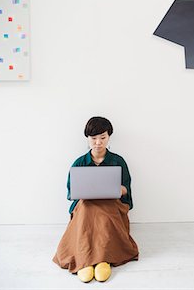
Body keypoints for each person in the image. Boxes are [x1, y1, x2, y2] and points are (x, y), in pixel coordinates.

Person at [52, 116, 139, 283]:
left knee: (105, 211)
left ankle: (102, 260)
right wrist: (84, 191)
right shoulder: (79, 163)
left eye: (103, 137)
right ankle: (85, 261)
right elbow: (71, 194)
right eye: (94, 138)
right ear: (88, 139)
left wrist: (118, 189)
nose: (98, 142)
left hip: (112, 203)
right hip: (86, 204)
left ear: (109, 137)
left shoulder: (118, 161)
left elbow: (126, 191)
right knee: (85, 208)